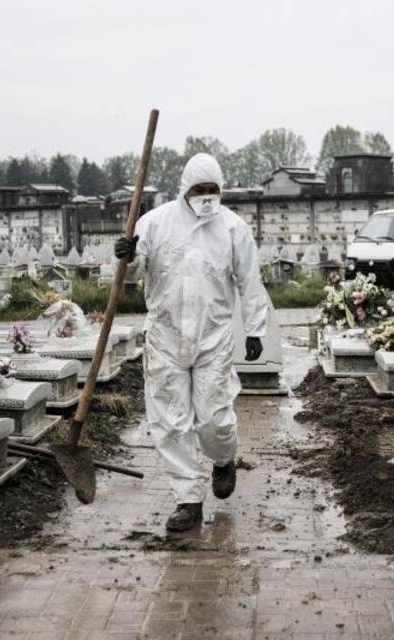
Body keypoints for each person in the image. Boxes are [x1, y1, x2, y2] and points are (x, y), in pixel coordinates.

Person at [115, 153, 267, 532]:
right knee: (170, 421)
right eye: (199, 190)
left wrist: (255, 330)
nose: (207, 196)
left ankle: (222, 458)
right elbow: (134, 270)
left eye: (213, 190)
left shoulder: (233, 229)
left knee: (213, 418)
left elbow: (250, 282)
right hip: (165, 337)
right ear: (185, 190)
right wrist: (126, 254)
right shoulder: (156, 223)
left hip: (212, 338)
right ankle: (188, 499)